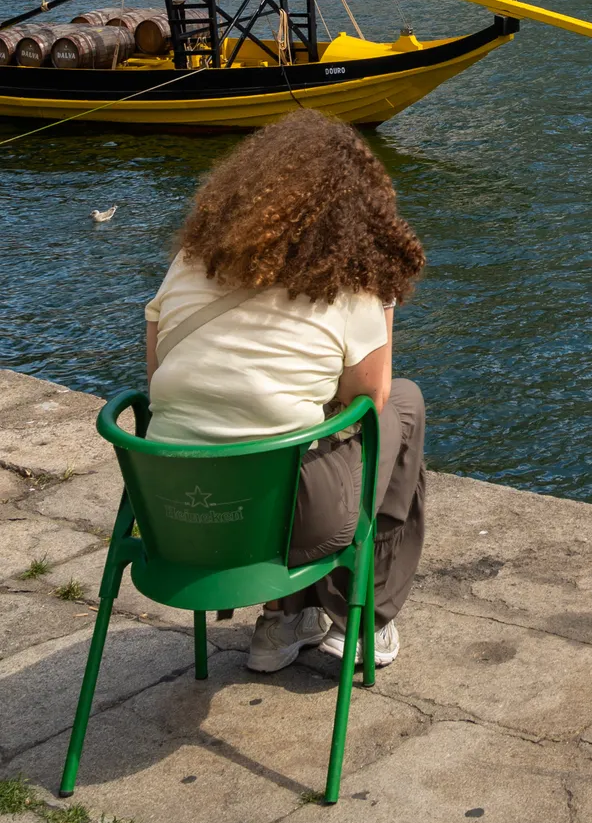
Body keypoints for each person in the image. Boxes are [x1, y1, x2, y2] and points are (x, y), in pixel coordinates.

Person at [144, 111, 427, 677]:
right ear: (358, 210)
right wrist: (384, 307)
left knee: (276, 431)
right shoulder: (351, 286)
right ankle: (364, 619)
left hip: (171, 519)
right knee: (403, 407)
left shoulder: (188, 264)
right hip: (286, 526)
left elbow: (158, 376)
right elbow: (366, 403)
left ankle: (281, 619)